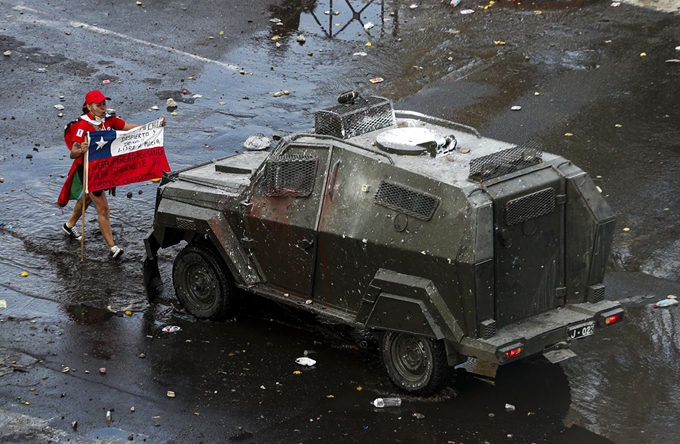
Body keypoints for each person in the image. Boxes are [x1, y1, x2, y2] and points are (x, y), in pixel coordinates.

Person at [59, 89, 165, 259]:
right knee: (103, 208)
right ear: (89, 107)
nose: (103, 107)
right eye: (98, 105)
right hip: (89, 171)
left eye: (104, 103)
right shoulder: (82, 125)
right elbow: (73, 152)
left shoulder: (109, 121)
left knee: (87, 197)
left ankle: (69, 224)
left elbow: (130, 129)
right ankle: (112, 248)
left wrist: (153, 126)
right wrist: (81, 149)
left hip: (104, 169)